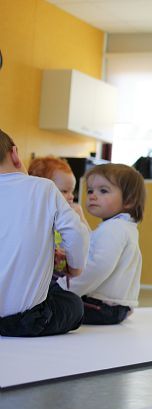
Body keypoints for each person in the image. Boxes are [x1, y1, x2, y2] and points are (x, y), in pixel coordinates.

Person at [0, 129, 89, 336]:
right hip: (25, 319)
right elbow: (77, 233)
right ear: (14, 154)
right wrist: (75, 268)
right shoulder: (43, 188)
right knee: (74, 304)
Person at [58, 164, 145, 325]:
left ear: (129, 200)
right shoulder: (122, 227)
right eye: (90, 190)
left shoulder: (114, 229)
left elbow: (97, 267)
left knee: (51, 306)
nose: (92, 196)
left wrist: (63, 289)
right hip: (114, 307)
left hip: (103, 306)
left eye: (103, 191)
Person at [28, 156, 88, 226]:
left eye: (72, 191)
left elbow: (88, 237)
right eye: (64, 191)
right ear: (42, 191)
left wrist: (81, 219)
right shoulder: (34, 217)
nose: (72, 197)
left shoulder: (66, 215)